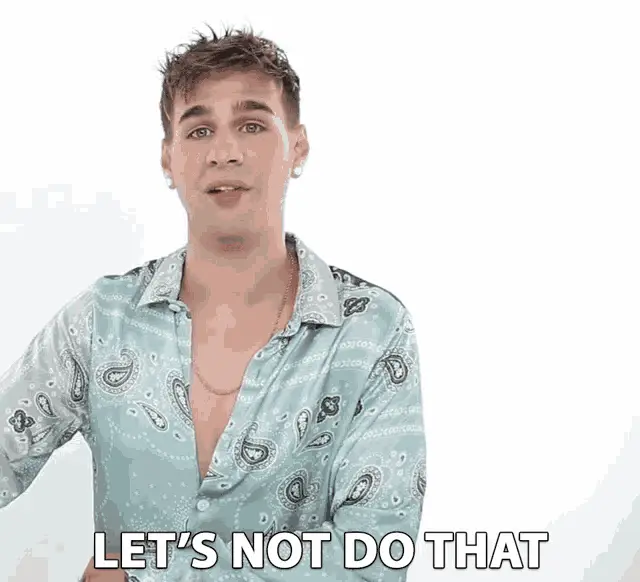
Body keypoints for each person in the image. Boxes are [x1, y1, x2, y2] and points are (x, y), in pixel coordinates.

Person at [0, 25, 426, 581]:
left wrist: (153, 572)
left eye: (252, 125)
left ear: (297, 146)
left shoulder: (370, 331)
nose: (225, 152)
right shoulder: (103, 320)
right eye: (199, 130)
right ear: (168, 158)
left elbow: (373, 558)